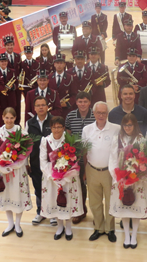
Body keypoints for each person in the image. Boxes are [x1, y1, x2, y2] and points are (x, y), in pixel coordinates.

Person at [109, 114, 147, 249]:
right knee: (124, 209)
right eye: (125, 125)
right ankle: (126, 235)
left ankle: (134, 235)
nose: (127, 127)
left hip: (137, 181)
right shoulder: (117, 138)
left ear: (135, 125)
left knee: (135, 209)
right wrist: (118, 179)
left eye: (130, 125)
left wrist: (137, 176)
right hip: (121, 180)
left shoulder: (141, 139)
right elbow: (112, 160)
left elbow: (144, 160)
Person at [82, 102, 121, 242]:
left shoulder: (116, 129)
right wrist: (85, 171)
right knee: (94, 202)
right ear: (94, 113)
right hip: (92, 170)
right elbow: (84, 152)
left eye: (104, 113)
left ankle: (110, 229)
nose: (101, 115)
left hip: (110, 172)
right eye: (98, 113)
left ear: (107, 114)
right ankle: (98, 228)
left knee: (111, 201)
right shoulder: (87, 130)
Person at [39, 116, 83, 241]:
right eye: (54, 127)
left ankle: (68, 227)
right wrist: (53, 176)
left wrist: (64, 178)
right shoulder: (45, 141)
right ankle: (59, 227)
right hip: (52, 179)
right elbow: (43, 161)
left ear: (64, 128)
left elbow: (74, 161)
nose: (56, 130)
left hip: (68, 179)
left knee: (67, 202)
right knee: (56, 202)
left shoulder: (70, 140)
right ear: (51, 128)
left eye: (59, 127)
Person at [0, 107, 32, 238]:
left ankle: (18, 224)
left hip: (18, 171)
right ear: (2, 117)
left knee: (18, 196)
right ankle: (10, 224)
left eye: (12, 118)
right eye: (6, 117)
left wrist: (14, 166)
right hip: (3, 172)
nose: (9, 120)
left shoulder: (22, 133)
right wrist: (1, 168)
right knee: (6, 196)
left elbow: (25, 155)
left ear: (15, 118)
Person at [24, 96, 55, 226]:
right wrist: (26, 163)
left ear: (47, 106)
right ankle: (41, 212)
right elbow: (25, 144)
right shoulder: (29, 123)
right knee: (38, 188)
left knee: (51, 188)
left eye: (43, 105)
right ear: (34, 108)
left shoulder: (54, 121)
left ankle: (52, 213)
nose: (41, 107)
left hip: (52, 163)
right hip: (35, 162)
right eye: (38, 105)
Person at [65, 91, 95, 224]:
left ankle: (97, 215)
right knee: (78, 187)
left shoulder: (95, 116)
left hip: (93, 159)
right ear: (76, 102)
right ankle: (81, 211)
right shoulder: (70, 116)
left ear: (90, 102)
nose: (83, 104)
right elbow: (67, 136)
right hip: (76, 160)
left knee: (94, 188)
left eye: (85, 101)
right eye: (80, 102)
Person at [3, 36, 22, 125]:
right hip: (7, 89)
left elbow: (21, 71)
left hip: (17, 88)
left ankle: (17, 126)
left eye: (11, 45)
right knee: (8, 108)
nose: (9, 47)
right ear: (5, 46)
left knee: (18, 107)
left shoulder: (18, 56)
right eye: (8, 45)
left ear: (13, 45)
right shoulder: (1, 58)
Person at [0, 53, 17, 127]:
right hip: (1, 102)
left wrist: (12, 86)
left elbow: (17, 84)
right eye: (1, 61)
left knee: (13, 120)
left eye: (5, 61)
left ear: (7, 62)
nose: (3, 63)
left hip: (11, 100)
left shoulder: (12, 71)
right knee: (2, 122)